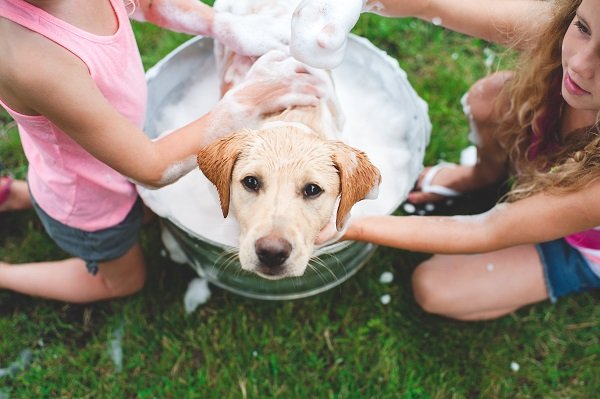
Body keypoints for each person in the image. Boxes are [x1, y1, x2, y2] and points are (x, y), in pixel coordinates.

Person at [0, 0, 322, 303]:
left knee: (138, 209)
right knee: (124, 279)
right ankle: (7, 274)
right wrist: (248, 101)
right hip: (91, 198)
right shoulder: (31, 58)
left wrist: (226, 26)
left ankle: (16, 195)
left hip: (112, 150)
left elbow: (150, 2)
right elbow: (151, 167)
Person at [309, 0, 600, 321]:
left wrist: (348, 224)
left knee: (434, 288)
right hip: (550, 162)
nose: (579, 64)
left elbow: (487, 231)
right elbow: (432, 4)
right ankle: (480, 178)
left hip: (587, 237)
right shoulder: (563, 30)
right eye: (583, 28)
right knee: (492, 97)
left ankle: (580, 269)